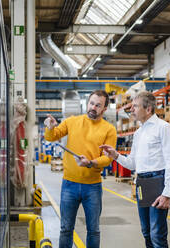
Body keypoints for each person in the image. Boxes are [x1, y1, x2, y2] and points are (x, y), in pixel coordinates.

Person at [101, 91, 170, 248]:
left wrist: (166, 193)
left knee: (158, 235)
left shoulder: (163, 128)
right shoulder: (138, 133)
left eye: (135, 106)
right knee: (146, 232)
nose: (132, 110)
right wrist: (116, 155)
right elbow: (133, 164)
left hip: (158, 181)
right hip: (142, 183)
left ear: (148, 109)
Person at [44, 90, 117, 248]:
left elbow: (108, 158)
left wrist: (91, 162)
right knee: (65, 229)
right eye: (91, 103)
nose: (93, 107)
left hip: (93, 187)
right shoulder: (72, 121)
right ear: (87, 103)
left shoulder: (109, 129)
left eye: (98, 105)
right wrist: (50, 127)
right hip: (69, 184)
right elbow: (51, 136)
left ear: (104, 109)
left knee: (93, 230)